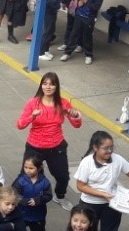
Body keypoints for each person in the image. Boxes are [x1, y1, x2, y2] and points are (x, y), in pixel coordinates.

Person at [17, 72, 82, 208]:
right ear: (41, 85)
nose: (48, 87)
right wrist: (32, 117)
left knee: (63, 177)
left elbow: (77, 125)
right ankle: (23, 199)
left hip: (56, 146)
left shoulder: (63, 103)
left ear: (56, 86)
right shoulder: (33, 103)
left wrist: (76, 115)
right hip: (35, 147)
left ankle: (60, 196)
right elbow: (20, 124)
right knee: (26, 175)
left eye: (52, 84)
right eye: (45, 83)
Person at [61, 0, 111, 65]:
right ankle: (67, 52)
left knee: (87, 36)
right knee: (74, 34)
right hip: (80, 14)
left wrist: (85, 1)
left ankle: (88, 55)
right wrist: (80, 1)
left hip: (89, 17)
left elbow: (96, 7)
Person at [12, 155, 52, 231]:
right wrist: (25, 201)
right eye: (25, 167)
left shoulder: (45, 182)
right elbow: (14, 195)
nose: (27, 170)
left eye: (31, 168)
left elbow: (48, 195)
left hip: (38, 215)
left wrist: (38, 200)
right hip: (21, 214)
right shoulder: (20, 181)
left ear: (39, 168)